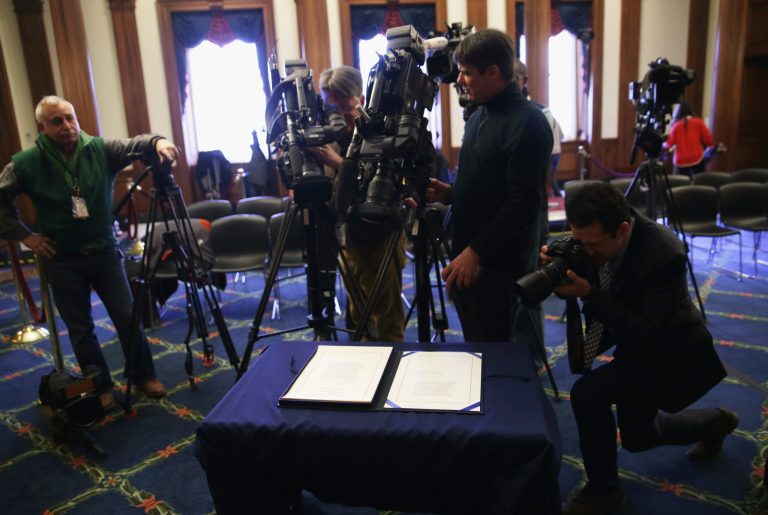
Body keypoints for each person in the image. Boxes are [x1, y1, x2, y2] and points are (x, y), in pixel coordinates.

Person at [544, 182, 735, 515]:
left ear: (622, 229)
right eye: (579, 242)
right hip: (630, 338)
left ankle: (604, 492)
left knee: (590, 395)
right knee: (638, 437)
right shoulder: (595, 238)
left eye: (593, 245)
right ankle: (715, 423)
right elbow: (592, 265)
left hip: (669, 346)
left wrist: (589, 294)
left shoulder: (665, 253)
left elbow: (648, 332)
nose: (586, 252)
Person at [0, 96, 179, 409]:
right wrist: (26, 237)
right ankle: (100, 385)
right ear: (42, 127)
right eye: (57, 121)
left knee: (128, 318)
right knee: (81, 329)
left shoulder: (100, 149)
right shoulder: (26, 164)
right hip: (62, 259)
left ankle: (143, 375)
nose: (67, 126)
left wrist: (160, 141)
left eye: (71, 118)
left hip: (105, 254)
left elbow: (138, 144)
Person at [427, 29, 552, 343]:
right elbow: (488, 185)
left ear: (494, 72)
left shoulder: (529, 122)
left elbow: (523, 204)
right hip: (469, 254)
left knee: (495, 354)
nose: (460, 80)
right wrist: (452, 192)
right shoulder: (478, 114)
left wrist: (476, 252)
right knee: (475, 342)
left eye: (468, 73)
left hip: (497, 263)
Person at [307, 65, 406, 341]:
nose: (340, 116)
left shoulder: (380, 133)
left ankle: (392, 375)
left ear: (361, 100)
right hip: (347, 238)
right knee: (358, 317)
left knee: (386, 319)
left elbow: (381, 189)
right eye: (332, 108)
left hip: (379, 237)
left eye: (346, 106)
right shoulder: (332, 139)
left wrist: (341, 165)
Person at [664, 100, 714, 178]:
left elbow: (669, 144)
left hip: (680, 160)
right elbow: (709, 140)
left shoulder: (676, 126)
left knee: (681, 184)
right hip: (697, 158)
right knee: (699, 182)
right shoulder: (699, 122)